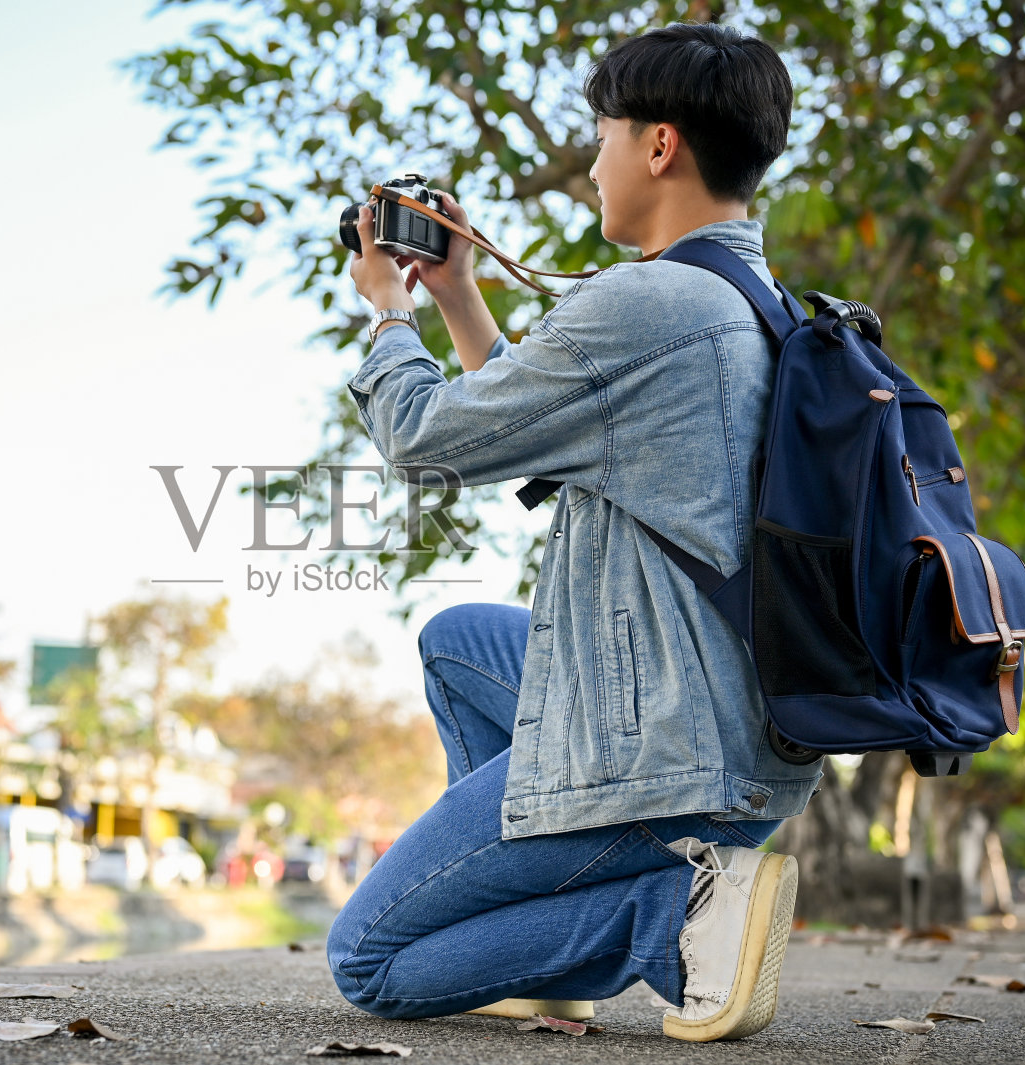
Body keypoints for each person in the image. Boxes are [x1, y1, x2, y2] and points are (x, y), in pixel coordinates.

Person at [328, 22, 823, 1042]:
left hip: (669, 762)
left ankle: (666, 916)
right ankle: (542, 936)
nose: (593, 163)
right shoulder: (755, 304)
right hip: (743, 734)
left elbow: (426, 440)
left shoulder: (646, 304)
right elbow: (543, 435)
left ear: (657, 146)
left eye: (600, 134)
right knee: (458, 641)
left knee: (368, 962)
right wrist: (459, 290)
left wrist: (387, 314)